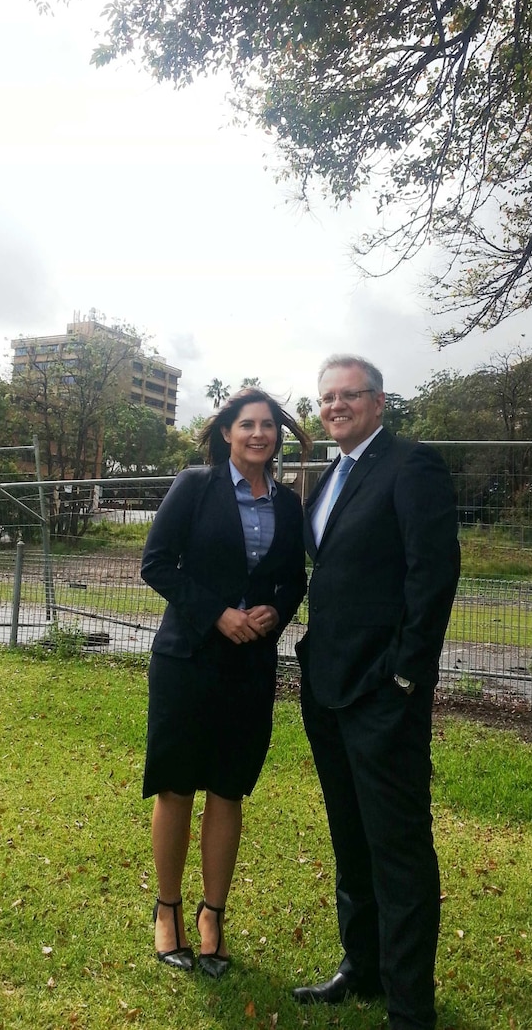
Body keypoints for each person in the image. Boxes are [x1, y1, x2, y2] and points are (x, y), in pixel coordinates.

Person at [292, 354, 460, 1030]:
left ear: (379, 401)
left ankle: (409, 1005)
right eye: (326, 397)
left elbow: (433, 575)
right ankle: (359, 968)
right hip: (327, 688)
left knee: (397, 847)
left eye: (348, 395)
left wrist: (404, 675)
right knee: (350, 837)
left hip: (382, 693)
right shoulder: (330, 475)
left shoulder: (410, 466)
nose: (335, 406)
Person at [140, 387, 311, 978]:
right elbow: (156, 563)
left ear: (276, 435)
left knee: (228, 788)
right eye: (247, 425)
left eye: (267, 426)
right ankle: (169, 910)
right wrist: (217, 612)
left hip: (249, 666)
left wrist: (274, 612)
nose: (258, 434)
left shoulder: (289, 506)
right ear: (226, 433)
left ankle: (214, 915)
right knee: (177, 785)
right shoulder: (195, 486)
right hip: (188, 658)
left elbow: (294, 579)